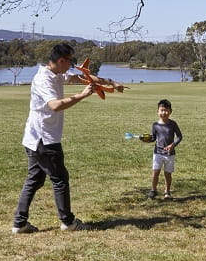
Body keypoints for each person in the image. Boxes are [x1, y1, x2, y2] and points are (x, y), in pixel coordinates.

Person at [12, 43, 123, 234]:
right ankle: (68, 222)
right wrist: (81, 95)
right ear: (61, 60)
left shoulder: (56, 74)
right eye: (70, 61)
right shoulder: (43, 79)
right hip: (44, 139)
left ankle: (20, 223)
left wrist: (110, 82)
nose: (71, 65)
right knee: (60, 179)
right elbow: (55, 105)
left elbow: (79, 77)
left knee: (35, 180)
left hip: (34, 138)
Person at [148, 98, 183, 199]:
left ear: (170, 112)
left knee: (168, 174)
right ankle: (153, 190)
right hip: (157, 153)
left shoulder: (173, 124)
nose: (164, 112)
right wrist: (147, 139)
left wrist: (173, 145)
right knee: (155, 172)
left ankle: (167, 192)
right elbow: (153, 138)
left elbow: (180, 137)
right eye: (161, 110)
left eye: (166, 110)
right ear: (157, 111)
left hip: (169, 154)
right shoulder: (155, 125)